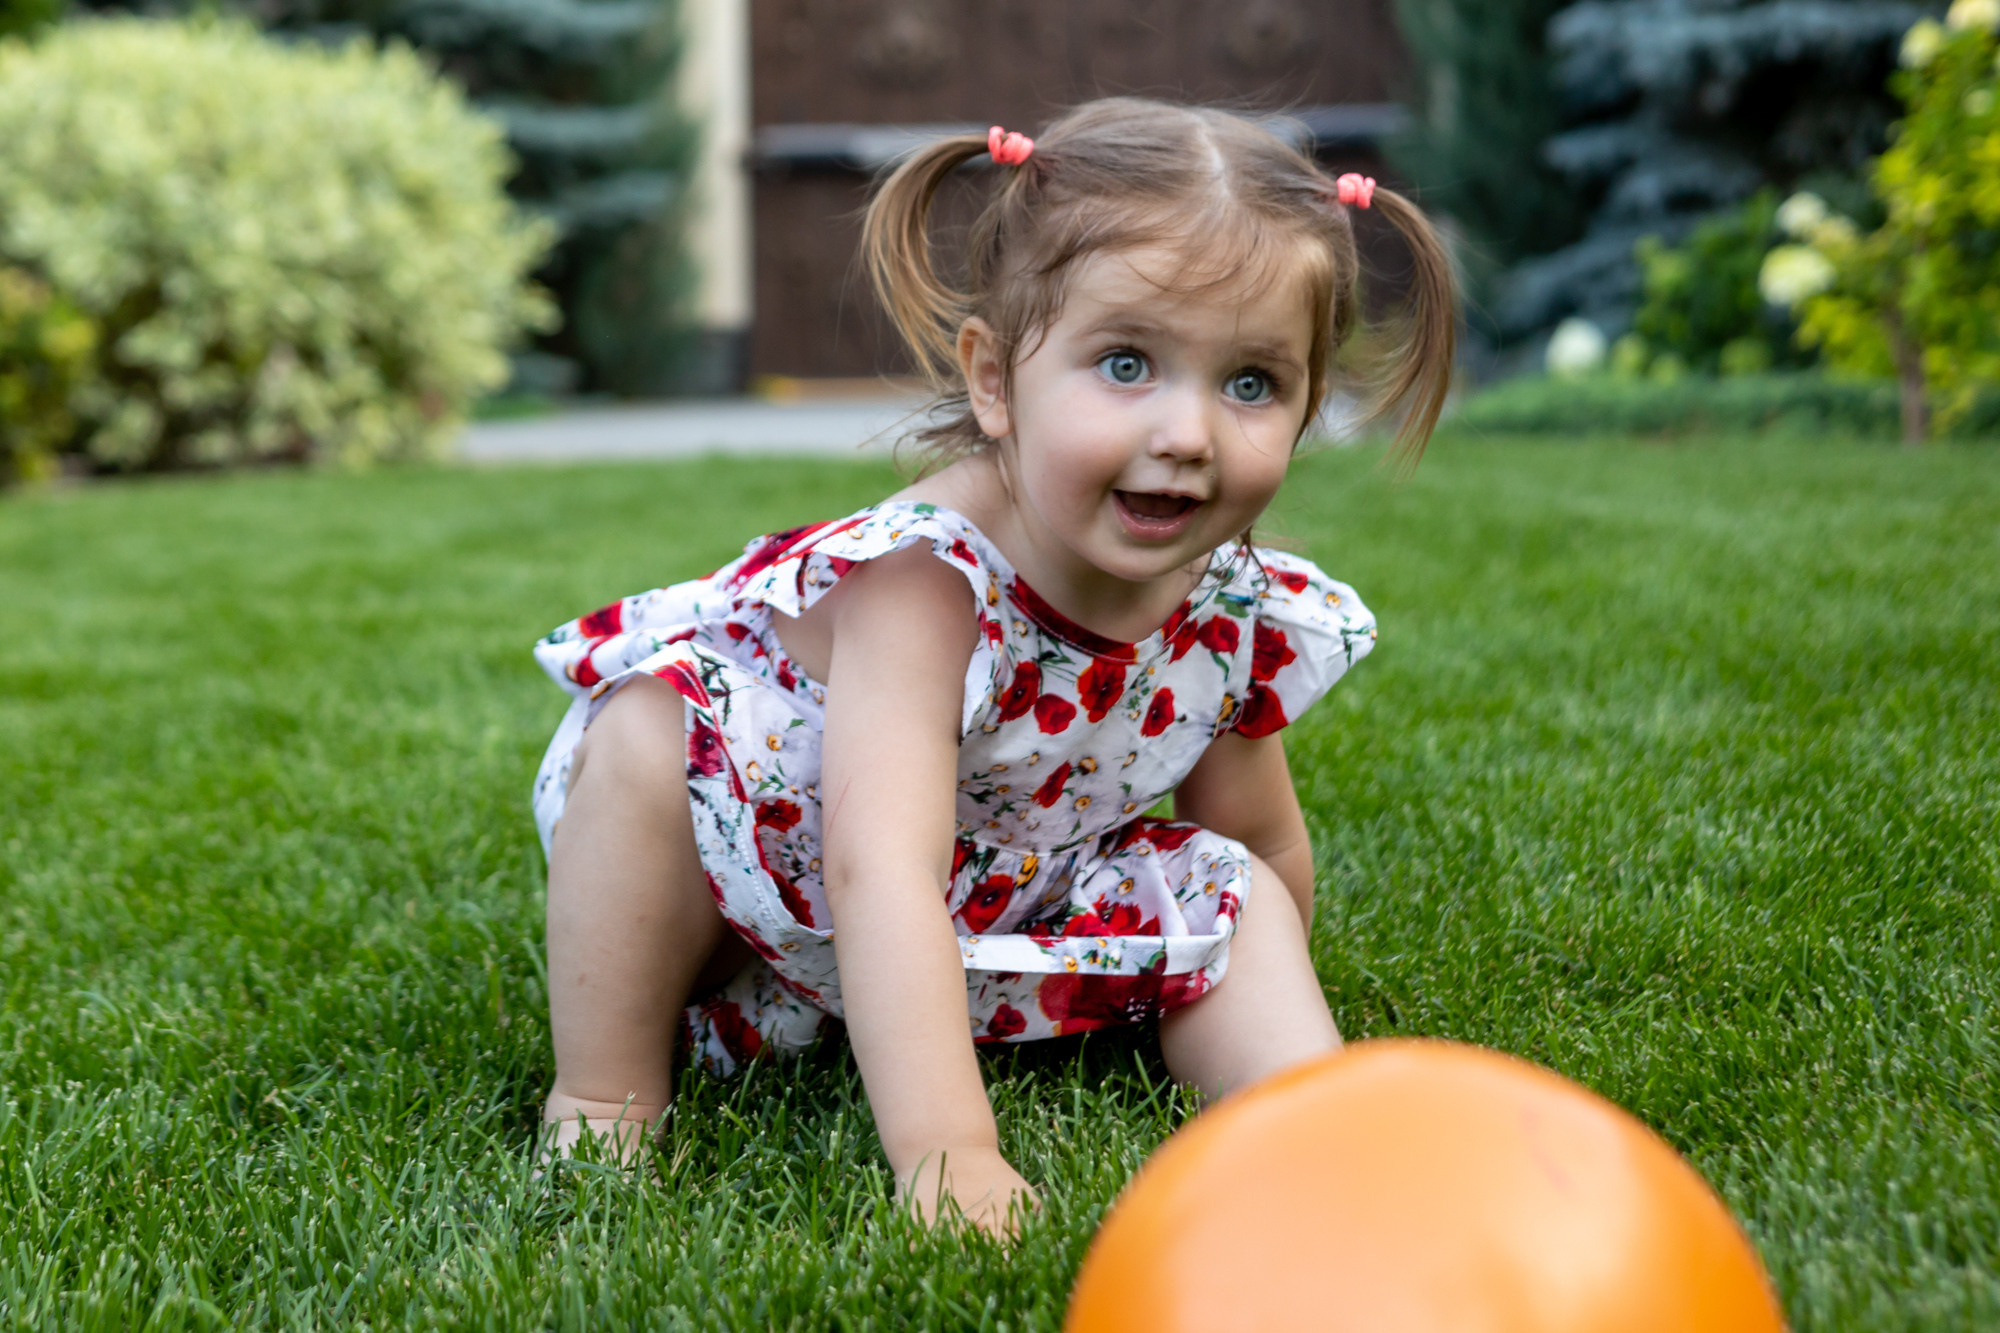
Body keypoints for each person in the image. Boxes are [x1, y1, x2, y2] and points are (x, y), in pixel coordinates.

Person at [528, 98, 1456, 1236]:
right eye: (1126, 363)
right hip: (772, 874)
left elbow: (1258, 840)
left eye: (1251, 383)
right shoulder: (925, 580)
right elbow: (878, 870)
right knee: (647, 736)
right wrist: (950, 1155)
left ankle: (1307, 1129)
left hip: (1009, 887)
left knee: (1231, 888)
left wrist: (1245, 971)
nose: (1188, 432)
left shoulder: (1232, 598)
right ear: (994, 381)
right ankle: (604, 1093)